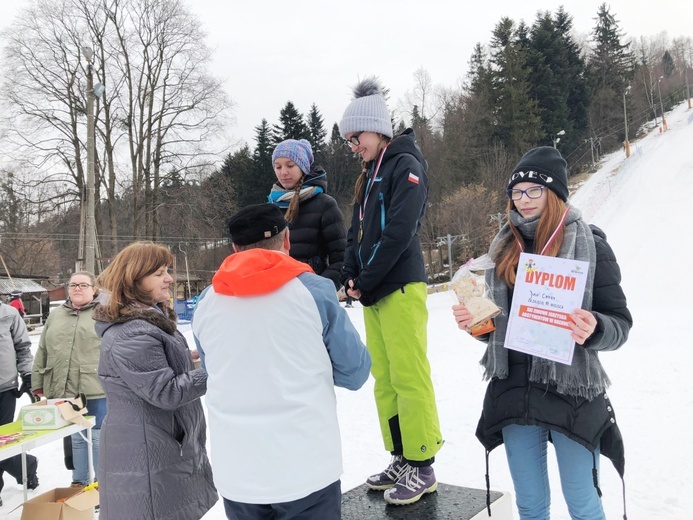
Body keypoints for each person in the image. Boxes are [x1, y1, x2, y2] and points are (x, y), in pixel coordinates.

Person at [452, 146, 633, 519]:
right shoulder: (502, 247)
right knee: (530, 505)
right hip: (515, 390)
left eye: (534, 190)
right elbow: (499, 329)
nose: (524, 199)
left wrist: (595, 328)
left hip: (571, 392)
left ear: (555, 194)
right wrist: (477, 324)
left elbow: (620, 323)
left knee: (582, 502)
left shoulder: (591, 243)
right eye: (517, 192)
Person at [192, 203, 371, 520]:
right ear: (287, 240)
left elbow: (214, 371)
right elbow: (355, 372)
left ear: (235, 248)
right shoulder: (314, 291)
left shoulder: (206, 303)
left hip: (238, 473)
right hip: (306, 468)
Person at [339, 77, 443, 505]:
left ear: (377, 129)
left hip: (399, 285)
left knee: (409, 375)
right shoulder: (369, 174)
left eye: (356, 137)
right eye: (347, 141)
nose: (353, 146)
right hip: (374, 291)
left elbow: (400, 232)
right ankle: (400, 455)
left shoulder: (406, 165)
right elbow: (356, 231)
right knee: (385, 378)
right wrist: (350, 271)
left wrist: (366, 279)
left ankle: (422, 464)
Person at [93, 241, 217, 519]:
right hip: (146, 455)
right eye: (159, 273)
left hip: (159, 446)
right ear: (134, 280)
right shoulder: (132, 332)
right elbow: (166, 392)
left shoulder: (146, 323)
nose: (169, 279)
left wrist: (187, 357)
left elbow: (152, 371)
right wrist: (218, 369)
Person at [32, 271, 105, 487]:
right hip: (65, 388)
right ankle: (79, 483)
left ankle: (101, 486)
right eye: (73, 285)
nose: (77, 289)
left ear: (94, 289)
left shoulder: (104, 313)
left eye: (83, 285)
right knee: (76, 437)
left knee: (97, 438)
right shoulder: (56, 315)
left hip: (96, 388)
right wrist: (37, 383)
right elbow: (43, 348)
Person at [268, 138, 347, 290]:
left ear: (303, 167)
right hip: (277, 296)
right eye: (278, 167)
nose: (283, 172)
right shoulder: (270, 207)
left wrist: (318, 289)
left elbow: (341, 259)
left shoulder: (325, 205)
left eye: (290, 165)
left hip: (311, 295)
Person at [0, 302, 38, 507]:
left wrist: (28, 376)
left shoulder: (9, 313)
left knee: (1, 440)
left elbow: (23, 347)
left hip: (4, 387)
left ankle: (27, 467)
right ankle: (27, 466)